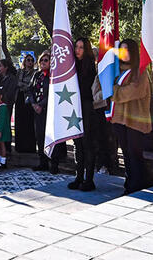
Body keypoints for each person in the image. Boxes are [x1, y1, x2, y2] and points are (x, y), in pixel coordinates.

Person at [112, 39, 151, 195]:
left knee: (135, 154)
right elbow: (100, 88)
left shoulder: (140, 71)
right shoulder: (115, 70)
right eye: (121, 50)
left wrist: (113, 91)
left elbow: (133, 91)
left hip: (136, 120)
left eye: (128, 49)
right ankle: (129, 183)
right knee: (126, 153)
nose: (124, 53)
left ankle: (137, 185)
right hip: (119, 119)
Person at [66, 38, 98, 191]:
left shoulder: (90, 66)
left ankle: (89, 179)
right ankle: (78, 177)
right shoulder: (72, 66)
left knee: (87, 144)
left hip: (86, 107)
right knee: (77, 144)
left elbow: (86, 89)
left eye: (81, 47)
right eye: (76, 47)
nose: (78, 50)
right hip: (74, 107)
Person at [30, 52, 51, 171]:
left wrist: (41, 105)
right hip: (37, 110)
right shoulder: (37, 75)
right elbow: (30, 90)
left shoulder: (53, 76)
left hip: (48, 110)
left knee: (50, 136)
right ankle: (42, 162)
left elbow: (53, 92)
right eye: (41, 60)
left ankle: (53, 162)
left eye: (46, 60)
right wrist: (34, 104)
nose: (43, 62)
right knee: (39, 136)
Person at [14, 54, 36, 153]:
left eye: (32, 60)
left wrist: (22, 85)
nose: (30, 62)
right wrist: (23, 85)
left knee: (29, 123)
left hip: (28, 99)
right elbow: (16, 83)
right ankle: (19, 146)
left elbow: (30, 85)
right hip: (19, 98)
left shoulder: (35, 72)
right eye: (28, 60)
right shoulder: (19, 72)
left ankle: (30, 147)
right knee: (19, 122)